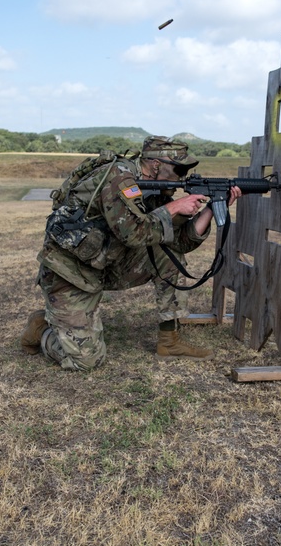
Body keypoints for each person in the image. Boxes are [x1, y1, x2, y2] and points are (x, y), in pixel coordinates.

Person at [20, 136, 241, 371]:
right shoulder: (119, 177)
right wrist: (175, 207)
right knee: (85, 361)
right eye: (179, 169)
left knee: (168, 255)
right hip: (69, 273)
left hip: (104, 264)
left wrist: (212, 207)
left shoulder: (154, 191)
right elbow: (133, 233)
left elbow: (180, 242)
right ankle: (41, 328)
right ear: (157, 165)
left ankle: (169, 340)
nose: (182, 176)